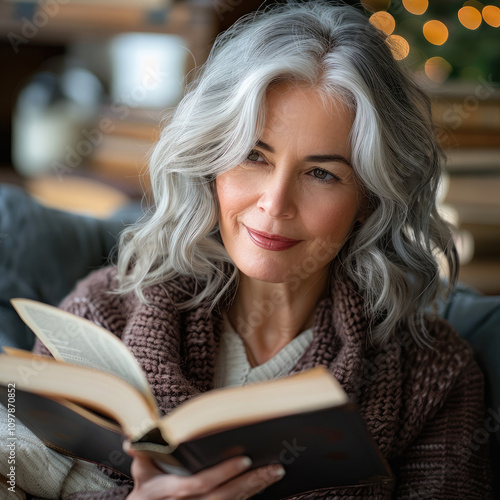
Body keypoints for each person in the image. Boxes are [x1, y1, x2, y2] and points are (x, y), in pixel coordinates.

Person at [28, 1, 491, 498]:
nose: (274, 205)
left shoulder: (434, 376)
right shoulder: (96, 320)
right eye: (254, 156)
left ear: (369, 198)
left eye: (322, 173)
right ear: (211, 163)